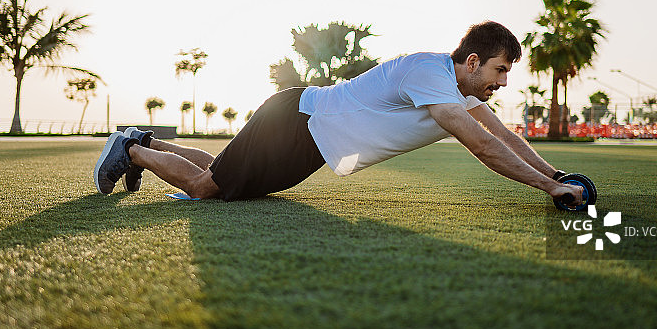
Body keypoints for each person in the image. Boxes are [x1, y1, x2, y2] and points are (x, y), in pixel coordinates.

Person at [93, 21, 584, 206]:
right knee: (208, 189)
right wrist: (549, 188)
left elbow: (504, 136)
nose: (502, 83)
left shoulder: (463, 92)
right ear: (473, 61)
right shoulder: (429, 74)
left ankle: (146, 142)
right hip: (300, 122)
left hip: (310, 133)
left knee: (221, 177)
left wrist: (557, 175)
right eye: (499, 70)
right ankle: (131, 149)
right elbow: (482, 146)